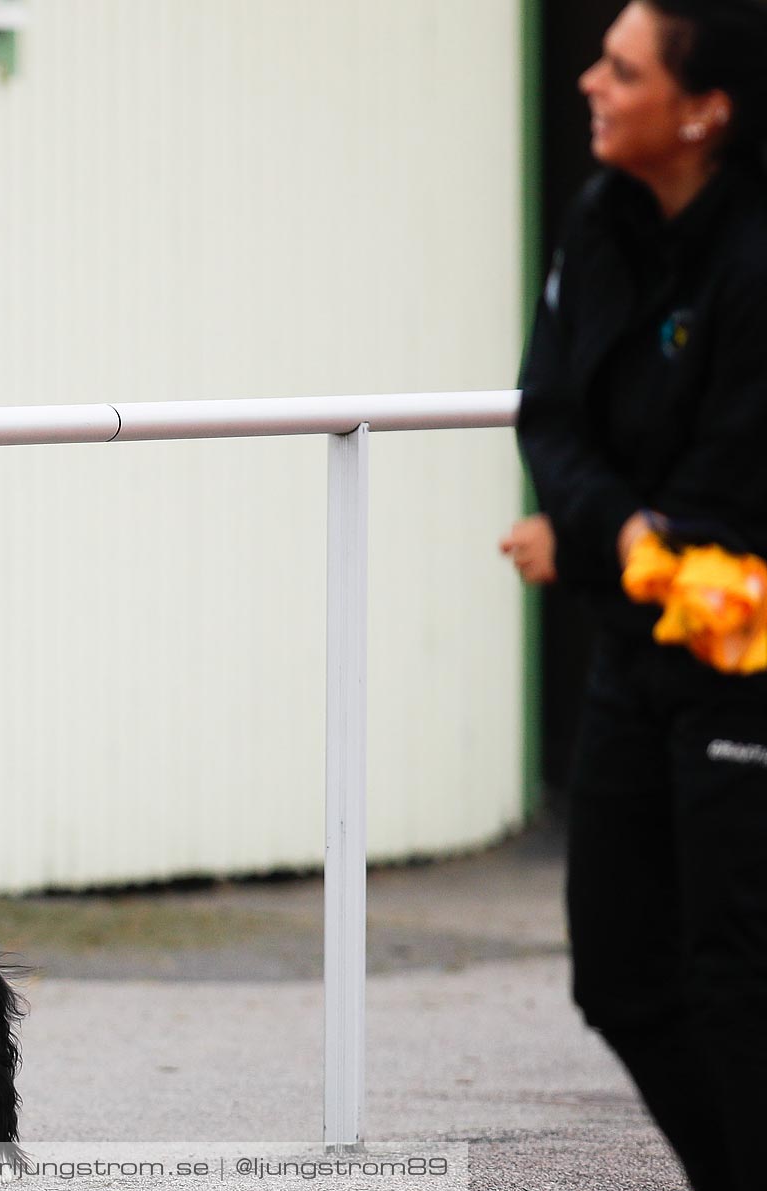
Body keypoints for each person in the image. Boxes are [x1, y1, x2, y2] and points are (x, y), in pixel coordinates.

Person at [505, 2, 767, 1187]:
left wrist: (591, 540)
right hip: (631, 645)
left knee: (730, 976)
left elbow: (729, 492)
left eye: (623, 69)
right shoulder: (599, 216)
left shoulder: (756, 255)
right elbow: (550, 412)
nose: (589, 85)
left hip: (741, 666)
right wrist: (615, 536)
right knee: (615, 973)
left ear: (704, 110)